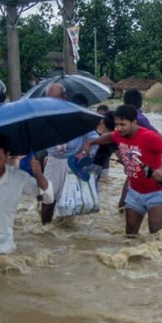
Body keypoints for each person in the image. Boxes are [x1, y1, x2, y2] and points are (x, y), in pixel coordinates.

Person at [87, 105, 162, 235]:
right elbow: (110, 137)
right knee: (130, 232)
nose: (119, 128)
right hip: (134, 192)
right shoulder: (118, 134)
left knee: (155, 233)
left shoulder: (149, 136)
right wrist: (91, 143)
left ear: (134, 122)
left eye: (123, 124)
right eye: (117, 124)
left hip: (156, 191)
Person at [41, 89, 97, 223]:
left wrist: (84, 151)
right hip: (54, 162)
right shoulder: (52, 117)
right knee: (48, 198)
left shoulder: (85, 123)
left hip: (74, 164)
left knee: (71, 201)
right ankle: (45, 228)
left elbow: (95, 140)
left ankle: (64, 232)